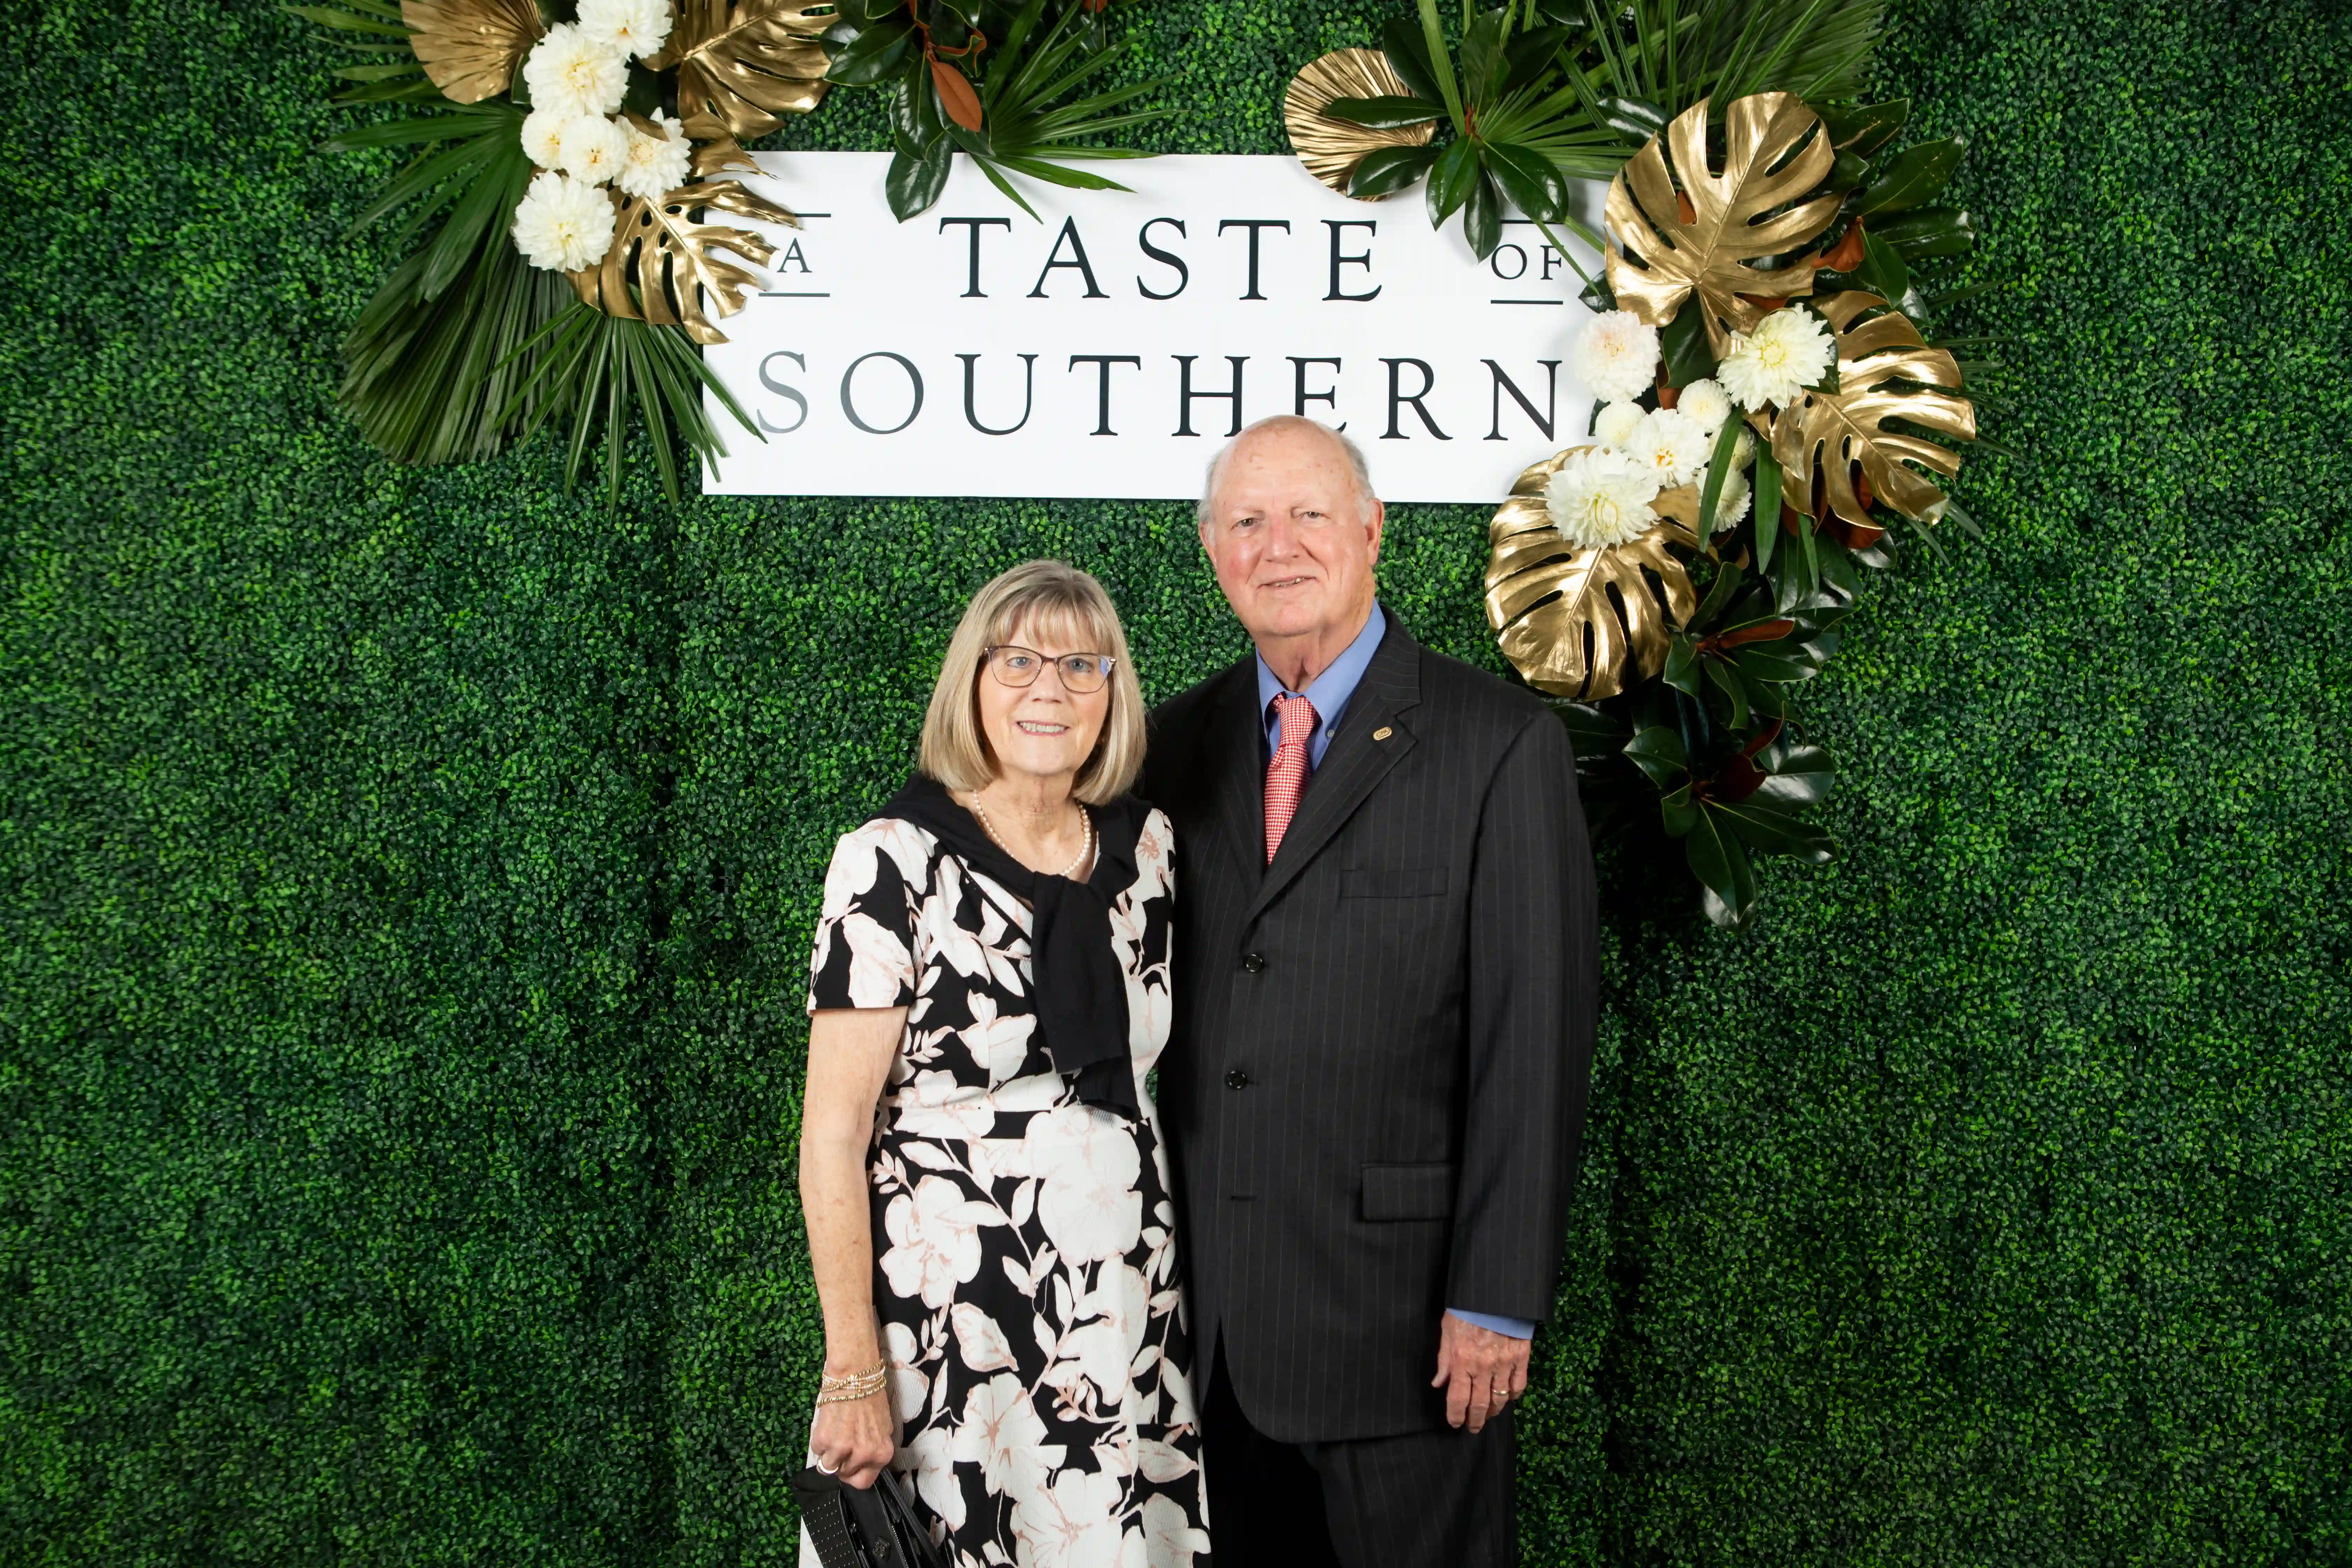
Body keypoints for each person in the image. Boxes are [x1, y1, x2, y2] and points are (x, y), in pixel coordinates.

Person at [1141, 416, 1597, 1568]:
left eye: (1308, 514)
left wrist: (1496, 1299)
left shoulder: (1498, 744)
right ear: (1210, 549)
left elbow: (1531, 1045)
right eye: (1247, 521)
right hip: (1214, 1337)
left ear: (1371, 528)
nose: (1277, 546)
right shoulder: (1168, 746)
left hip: (1410, 1334)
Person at [799, 560, 1212, 1568]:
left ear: (1113, 689)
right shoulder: (891, 861)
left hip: (1121, 1300)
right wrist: (853, 1365)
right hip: (952, 1321)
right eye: (1018, 659)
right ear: (971, 683)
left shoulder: (1150, 852)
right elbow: (833, 1134)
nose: (1049, 688)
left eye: (1081, 663)